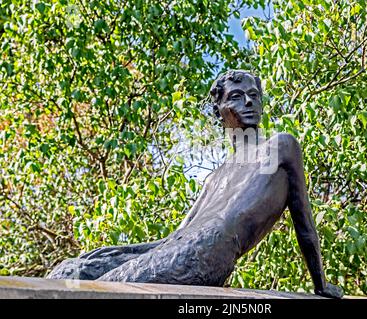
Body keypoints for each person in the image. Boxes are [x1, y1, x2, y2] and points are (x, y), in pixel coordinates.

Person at [47, 70, 343, 298]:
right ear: (219, 111)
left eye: (254, 95)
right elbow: (174, 238)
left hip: (213, 248)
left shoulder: (280, 146)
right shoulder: (217, 176)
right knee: (74, 268)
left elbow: (304, 221)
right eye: (237, 96)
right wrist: (122, 252)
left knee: (101, 288)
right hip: (181, 247)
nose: (250, 102)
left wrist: (321, 283)